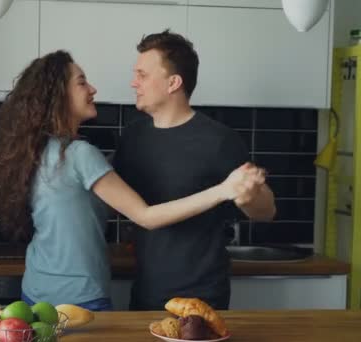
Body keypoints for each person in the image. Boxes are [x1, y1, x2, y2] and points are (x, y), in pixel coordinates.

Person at [0, 50, 264, 311]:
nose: (92, 89)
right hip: (78, 298)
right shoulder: (80, 154)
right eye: (82, 82)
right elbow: (145, 216)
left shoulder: (39, 149)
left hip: (35, 289)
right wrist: (224, 189)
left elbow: (80, 199)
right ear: (58, 95)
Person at [114, 29, 277, 311]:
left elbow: (267, 211)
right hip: (145, 291)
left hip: (202, 296)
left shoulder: (219, 141)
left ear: (173, 83)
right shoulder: (132, 137)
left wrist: (249, 197)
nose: (133, 83)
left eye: (142, 75)